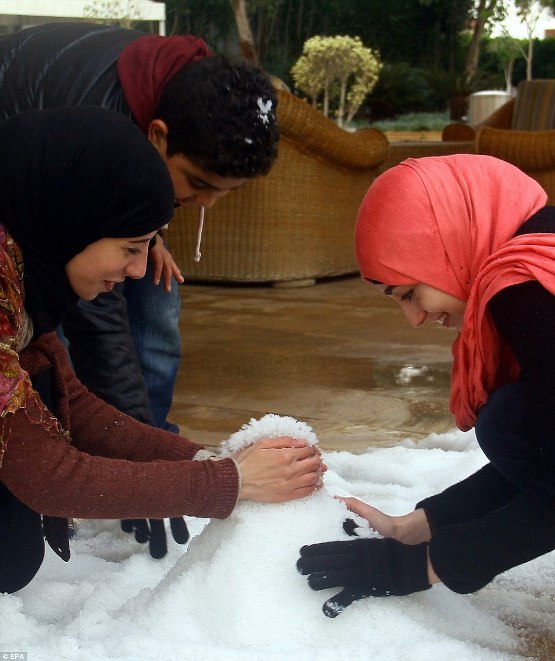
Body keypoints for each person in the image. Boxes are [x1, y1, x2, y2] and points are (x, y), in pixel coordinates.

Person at [0, 106, 322, 594]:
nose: (138, 270)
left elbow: (74, 403)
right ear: (70, 219)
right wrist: (228, 483)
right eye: (131, 247)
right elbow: (49, 476)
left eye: (148, 246)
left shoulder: (23, 277)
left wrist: (202, 460)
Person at [297, 154, 555, 617]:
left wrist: (424, 566)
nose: (414, 319)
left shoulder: (530, 292)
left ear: (446, 245)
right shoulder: (541, 256)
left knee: (510, 421)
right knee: (518, 419)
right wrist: (419, 526)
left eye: (410, 293)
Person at [0, 21, 279, 433]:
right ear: (157, 135)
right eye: (198, 183)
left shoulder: (202, 101)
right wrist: (132, 441)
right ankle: (63, 435)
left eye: (225, 192)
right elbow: (98, 324)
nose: (206, 203)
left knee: (156, 291)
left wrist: (149, 238)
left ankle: (149, 434)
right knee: (53, 329)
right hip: (16, 177)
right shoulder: (96, 129)